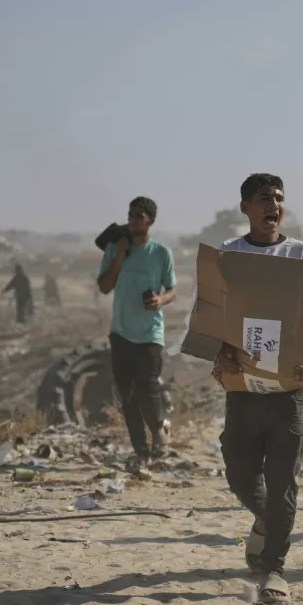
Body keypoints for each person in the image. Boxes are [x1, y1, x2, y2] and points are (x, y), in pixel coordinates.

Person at [213, 173, 303, 605]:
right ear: (245, 206)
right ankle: (268, 521)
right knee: (240, 474)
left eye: (279, 198)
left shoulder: (300, 254)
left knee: (283, 483)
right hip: (243, 391)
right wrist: (217, 350)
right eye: (265, 198)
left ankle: (275, 569)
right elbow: (209, 313)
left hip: (288, 395)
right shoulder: (229, 254)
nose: (274, 205)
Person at [98, 196, 177, 462]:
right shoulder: (115, 249)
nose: (132, 220)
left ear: (150, 220)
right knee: (128, 395)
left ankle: (158, 434)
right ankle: (141, 451)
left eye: (138, 216)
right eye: (130, 215)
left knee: (148, 387)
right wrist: (119, 255)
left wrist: (160, 301)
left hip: (151, 333)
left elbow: (173, 290)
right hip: (121, 332)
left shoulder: (161, 253)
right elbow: (105, 286)